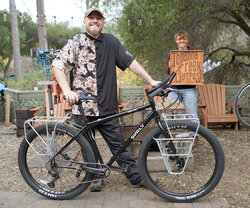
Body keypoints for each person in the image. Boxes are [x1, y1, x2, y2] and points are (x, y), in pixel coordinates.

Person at [52, 7, 160, 192]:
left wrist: (150, 80)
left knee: (119, 145)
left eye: (98, 19)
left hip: (107, 107)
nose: (94, 21)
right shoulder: (75, 42)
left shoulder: (111, 42)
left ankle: (135, 177)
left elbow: (130, 62)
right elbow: (58, 65)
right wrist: (67, 90)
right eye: (91, 18)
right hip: (83, 107)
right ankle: (95, 176)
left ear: (103, 22)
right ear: (84, 22)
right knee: (88, 147)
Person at [165, 31, 199, 145]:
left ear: (187, 40)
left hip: (189, 88)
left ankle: (195, 136)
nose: (182, 42)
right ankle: (173, 136)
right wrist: (169, 67)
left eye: (184, 40)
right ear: (176, 41)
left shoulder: (193, 52)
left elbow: (197, 68)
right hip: (174, 88)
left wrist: (199, 78)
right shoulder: (172, 54)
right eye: (179, 40)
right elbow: (168, 72)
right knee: (171, 111)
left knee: (192, 112)